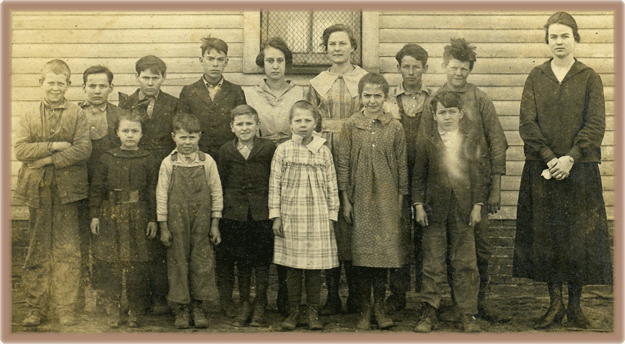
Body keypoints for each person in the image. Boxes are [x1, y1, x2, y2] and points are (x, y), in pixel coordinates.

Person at [513, 12, 612, 330]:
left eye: (564, 36)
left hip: (579, 170)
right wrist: (548, 156)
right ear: (547, 40)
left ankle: (575, 307)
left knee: (576, 240)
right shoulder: (536, 76)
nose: (559, 42)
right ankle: (554, 304)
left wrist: (570, 157)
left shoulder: (589, 77)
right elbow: (527, 122)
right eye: (553, 36)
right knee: (547, 239)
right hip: (542, 170)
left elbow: (595, 123)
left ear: (575, 38)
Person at [421, 38, 508, 322]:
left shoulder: (480, 98)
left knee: (477, 250)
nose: (459, 74)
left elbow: (497, 142)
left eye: (465, 69)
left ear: (470, 70)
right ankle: (441, 305)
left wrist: (494, 189)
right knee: (439, 251)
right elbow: (425, 143)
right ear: (445, 66)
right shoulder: (434, 100)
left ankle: (477, 305)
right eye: (454, 68)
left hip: (474, 189)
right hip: (441, 191)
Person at [15, 59, 91, 326]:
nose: (55, 88)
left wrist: (48, 158)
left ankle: (65, 307)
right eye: (51, 82)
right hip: (37, 190)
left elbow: (83, 149)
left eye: (61, 83)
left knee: (67, 250)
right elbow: (20, 151)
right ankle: (35, 308)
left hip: (68, 192)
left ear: (68, 85)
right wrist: (55, 145)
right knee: (37, 248)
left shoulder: (77, 114)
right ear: (41, 83)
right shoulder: (28, 114)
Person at [337, 73, 408, 330]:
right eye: (367, 95)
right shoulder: (350, 126)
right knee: (361, 254)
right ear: (360, 97)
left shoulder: (395, 127)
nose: (373, 100)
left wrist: (399, 202)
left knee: (383, 255)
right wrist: (345, 200)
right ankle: (363, 309)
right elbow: (343, 165)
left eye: (378, 95)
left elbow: (402, 167)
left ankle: (379, 306)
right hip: (359, 197)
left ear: (386, 98)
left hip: (387, 198)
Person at [412, 91, 488, 333]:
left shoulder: (470, 140)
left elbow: (478, 175)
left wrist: (477, 206)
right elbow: (418, 175)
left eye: (452, 112)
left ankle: (467, 313)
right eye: (442, 112)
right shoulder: (426, 140)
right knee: (432, 262)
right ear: (434, 116)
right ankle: (429, 311)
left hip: (463, 210)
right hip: (434, 210)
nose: (447, 117)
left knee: (465, 262)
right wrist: (418, 205)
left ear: (461, 114)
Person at [307, 24, 368, 316]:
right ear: (326, 48)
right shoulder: (318, 82)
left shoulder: (364, 79)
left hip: (358, 150)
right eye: (332, 44)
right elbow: (309, 121)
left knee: (355, 219)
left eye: (343, 43)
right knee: (330, 224)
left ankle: (357, 295)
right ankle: (331, 295)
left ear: (353, 47)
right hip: (326, 152)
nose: (338, 48)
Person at [244, 37, 305, 315]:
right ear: (262, 64)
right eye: (270, 60)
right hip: (262, 159)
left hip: (292, 159)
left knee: (288, 224)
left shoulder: (300, 91)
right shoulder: (250, 93)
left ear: (286, 64)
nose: (275, 66)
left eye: (280, 60)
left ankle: (285, 293)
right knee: (265, 223)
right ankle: (260, 297)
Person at [268, 100, 340, 331]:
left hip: (317, 216)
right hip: (291, 216)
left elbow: (332, 184)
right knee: (293, 268)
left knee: (313, 269)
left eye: (307, 120)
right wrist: (276, 216)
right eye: (297, 120)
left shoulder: (324, 150)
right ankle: (292, 311)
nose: (302, 125)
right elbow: (274, 184)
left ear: (316, 123)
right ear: (290, 124)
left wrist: (332, 215)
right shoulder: (283, 150)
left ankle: (312, 311)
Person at [118, 55, 178, 315]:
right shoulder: (126, 103)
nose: (150, 82)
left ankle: (161, 297)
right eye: (145, 77)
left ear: (163, 79)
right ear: (137, 78)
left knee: (161, 230)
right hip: (135, 172)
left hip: (164, 171)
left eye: (156, 77)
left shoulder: (174, 104)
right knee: (138, 233)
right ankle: (137, 299)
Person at [89, 112, 158, 328]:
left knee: (138, 264)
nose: (130, 135)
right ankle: (113, 309)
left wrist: (153, 219)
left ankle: (136, 310)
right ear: (117, 133)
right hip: (110, 213)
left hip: (138, 214)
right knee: (111, 262)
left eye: (135, 131)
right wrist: (94, 215)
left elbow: (152, 191)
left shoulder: (148, 158)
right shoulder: (107, 158)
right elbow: (97, 189)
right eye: (125, 131)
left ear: (141, 134)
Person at [156, 113, 223, 329]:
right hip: (176, 220)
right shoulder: (169, 163)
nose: (187, 142)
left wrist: (215, 224)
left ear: (199, 137)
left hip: (202, 220)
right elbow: (161, 196)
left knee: (201, 261)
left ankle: (198, 306)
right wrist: (163, 227)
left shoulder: (207, 161)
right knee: (177, 260)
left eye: (192, 137)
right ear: (174, 136)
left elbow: (216, 192)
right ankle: (181, 308)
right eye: (183, 137)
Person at [217, 105, 277, 327]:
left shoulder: (268, 147)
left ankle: (260, 303)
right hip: (235, 215)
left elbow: (274, 178)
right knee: (242, 259)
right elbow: (221, 182)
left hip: (261, 213)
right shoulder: (226, 150)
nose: (245, 128)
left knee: (261, 259)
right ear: (232, 127)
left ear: (257, 125)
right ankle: (244, 303)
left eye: (249, 123)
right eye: (240, 124)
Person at [384, 43, 431, 314]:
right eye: (406, 66)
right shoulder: (390, 102)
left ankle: (427, 296)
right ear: (398, 68)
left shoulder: (433, 100)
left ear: (425, 68)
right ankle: (397, 293)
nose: (411, 72)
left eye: (416, 66)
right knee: (399, 234)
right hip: (397, 176)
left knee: (427, 237)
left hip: (425, 175)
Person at [77, 65, 126, 312]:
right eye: (92, 86)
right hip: (77, 187)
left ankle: (108, 298)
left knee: (106, 243)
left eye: (102, 86)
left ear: (111, 88)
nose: (97, 91)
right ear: (83, 87)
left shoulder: (119, 115)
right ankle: (79, 298)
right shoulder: (73, 113)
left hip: (107, 191)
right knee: (79, 243)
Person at [176, 36, 246, 160]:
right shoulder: (188, 91)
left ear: (226, 62)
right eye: (210, 59)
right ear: (201, 60)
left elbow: (240, 124)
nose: (215, 64)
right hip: (197, 155)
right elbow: (182, 127)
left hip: (228, 156)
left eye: (220, 59)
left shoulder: (235, 91)